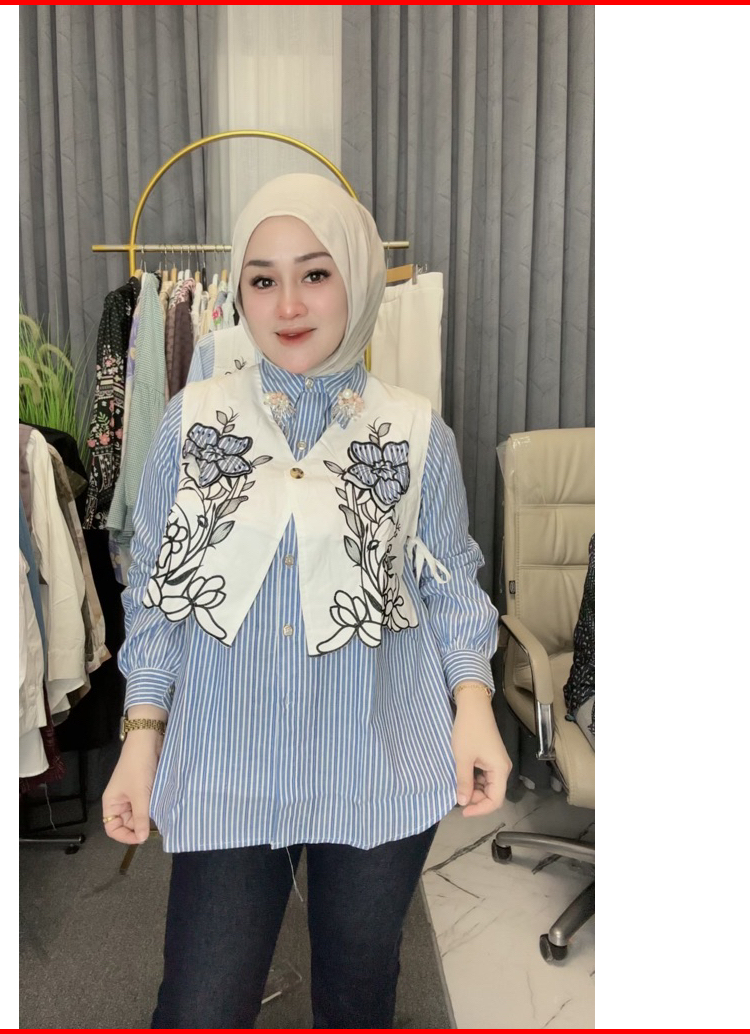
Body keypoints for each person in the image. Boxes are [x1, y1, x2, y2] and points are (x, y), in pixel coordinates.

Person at [101, 173, 511, 1029]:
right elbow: (158, 595)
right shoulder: (192, 422)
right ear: (241, 293)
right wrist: (142, 737)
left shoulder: (416, 433)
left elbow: (450, 584)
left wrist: (473, 707)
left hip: (375, 760)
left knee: (358, 999)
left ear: (355, 278)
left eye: (315, 273)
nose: (287, 304)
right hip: (228, 766)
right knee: (200, 1008)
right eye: (263, 279)